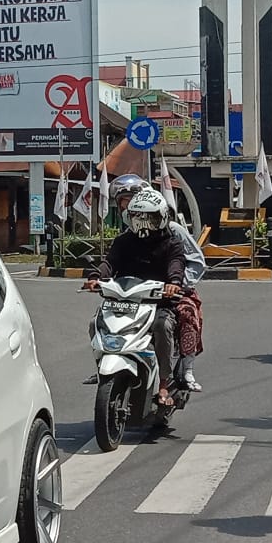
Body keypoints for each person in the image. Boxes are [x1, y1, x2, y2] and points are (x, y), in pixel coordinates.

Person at [85, 187, 185, 408]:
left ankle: (164, 384)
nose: (143, 224)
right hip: (125, 300)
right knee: (96, 322)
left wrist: (173, 284)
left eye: (149, 218)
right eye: (138, 218)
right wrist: (96, 277)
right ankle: (102, 364)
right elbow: (110, 263)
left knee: (162, 326)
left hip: (158, 303)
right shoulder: (124, 241)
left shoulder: (171, 243)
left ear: (161, 218)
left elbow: (176, 265)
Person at [109, 174, 206, 391]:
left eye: (130, 201)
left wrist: (178, 285)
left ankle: (185, 369)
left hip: (172, 290)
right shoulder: (128, 232)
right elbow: (115, 261)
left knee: (186, 314)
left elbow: (195, 262)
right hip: (135, 292)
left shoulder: (173, 231)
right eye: (123, 203)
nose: (127, 208)